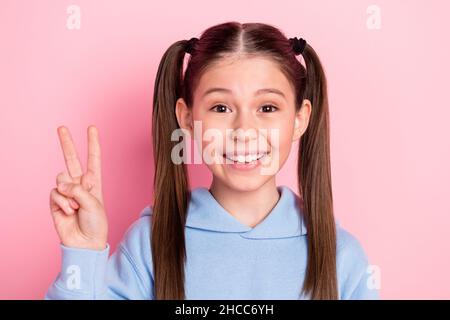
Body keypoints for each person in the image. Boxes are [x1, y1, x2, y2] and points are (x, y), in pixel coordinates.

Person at [45, 21, 379, 300]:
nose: (244, 130)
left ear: (299, 119)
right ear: (187, 119)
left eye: (267, 108)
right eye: (221, 108)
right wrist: (83, 253)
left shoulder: (342, 257)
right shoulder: (149, 244)